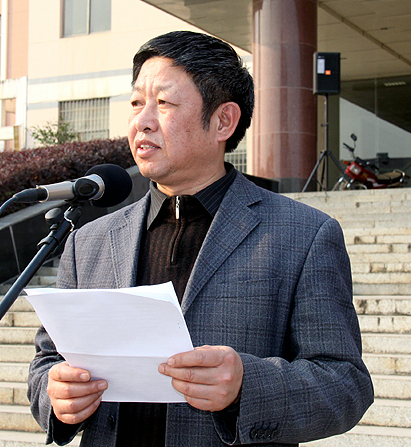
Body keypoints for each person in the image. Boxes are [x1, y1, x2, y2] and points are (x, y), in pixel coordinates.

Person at [28, 31, 374, 447]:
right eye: (136, 103)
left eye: (164, 103)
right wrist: (57, 394)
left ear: (223, 121)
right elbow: (47, 363)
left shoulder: (303, 235)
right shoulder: (90, 242)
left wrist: (246, 385)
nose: (142, 121)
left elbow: (345, 384)